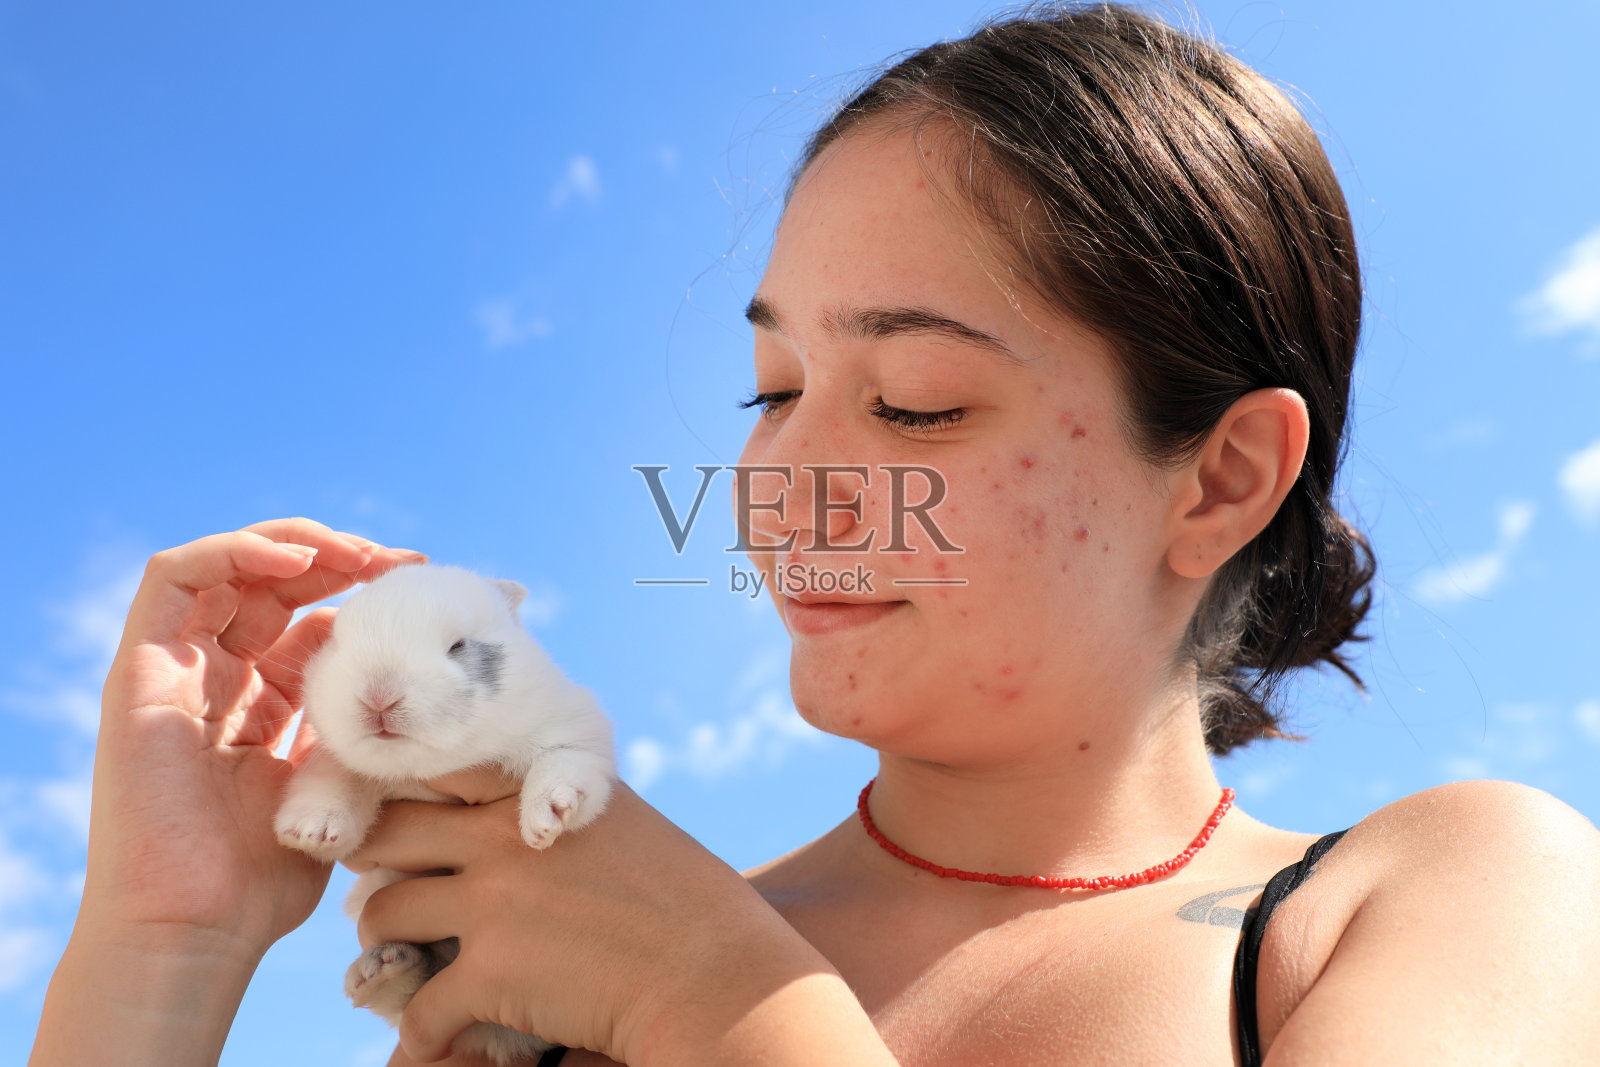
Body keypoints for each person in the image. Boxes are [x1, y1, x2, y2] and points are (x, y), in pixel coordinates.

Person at [30, 5, 1600, 1065]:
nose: (788, 479)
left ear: (1220, 481)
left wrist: (721, 1003)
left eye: (917, 403)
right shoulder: (554, 954)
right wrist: (162, 946)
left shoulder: (1454, 905)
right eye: (772, 390)